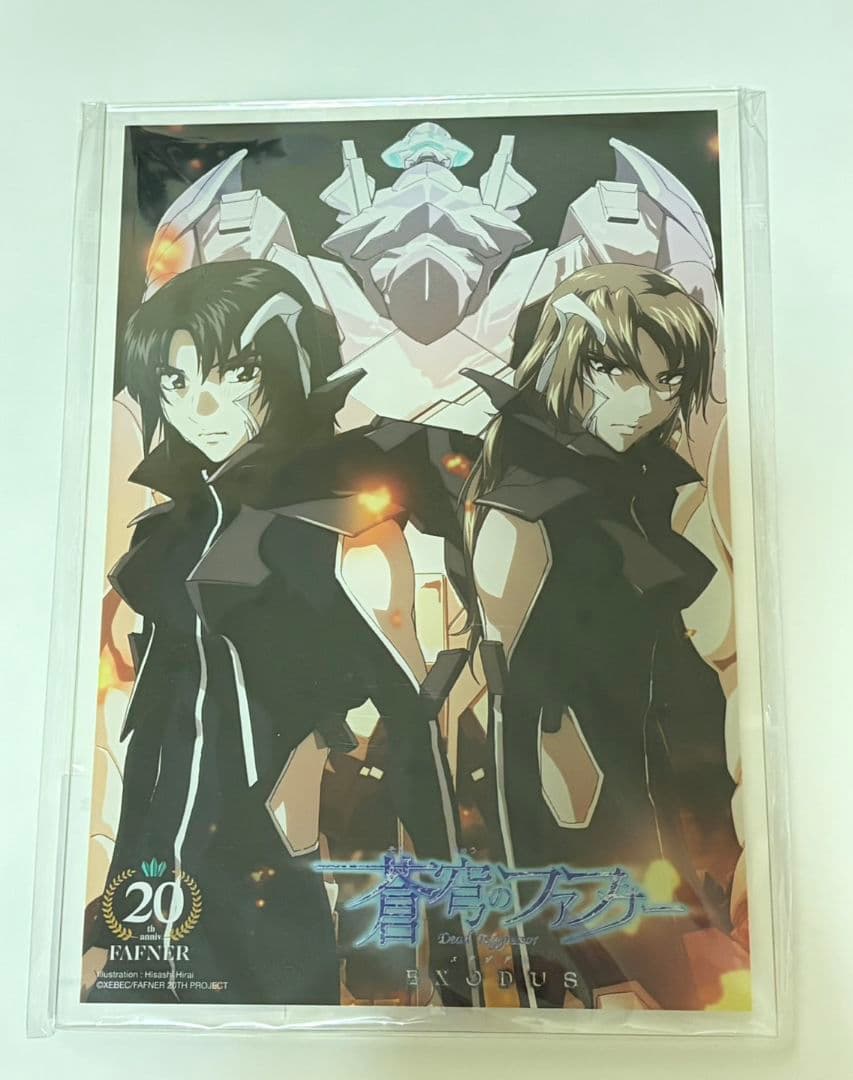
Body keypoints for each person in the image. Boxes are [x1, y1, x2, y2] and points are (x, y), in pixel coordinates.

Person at [83, 259, 480, 1006]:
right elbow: (156, 735)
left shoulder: (346, 530)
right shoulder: (173, 538)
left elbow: (413, 740)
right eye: (174, 382)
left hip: (270, 890)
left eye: (234, 374)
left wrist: (454, 947)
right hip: (157, 894)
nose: (199, 407)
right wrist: (113, 911)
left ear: (288, 365)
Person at [462, 264, 740, 1009]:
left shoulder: (657, 488)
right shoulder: (520, 507)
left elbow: (711, 633)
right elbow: (509, 699)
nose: (644, 404)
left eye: (666, 381)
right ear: (566, 363)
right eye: (617, 373)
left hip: (653, 781)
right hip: (571, 805)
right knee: (617, 995)